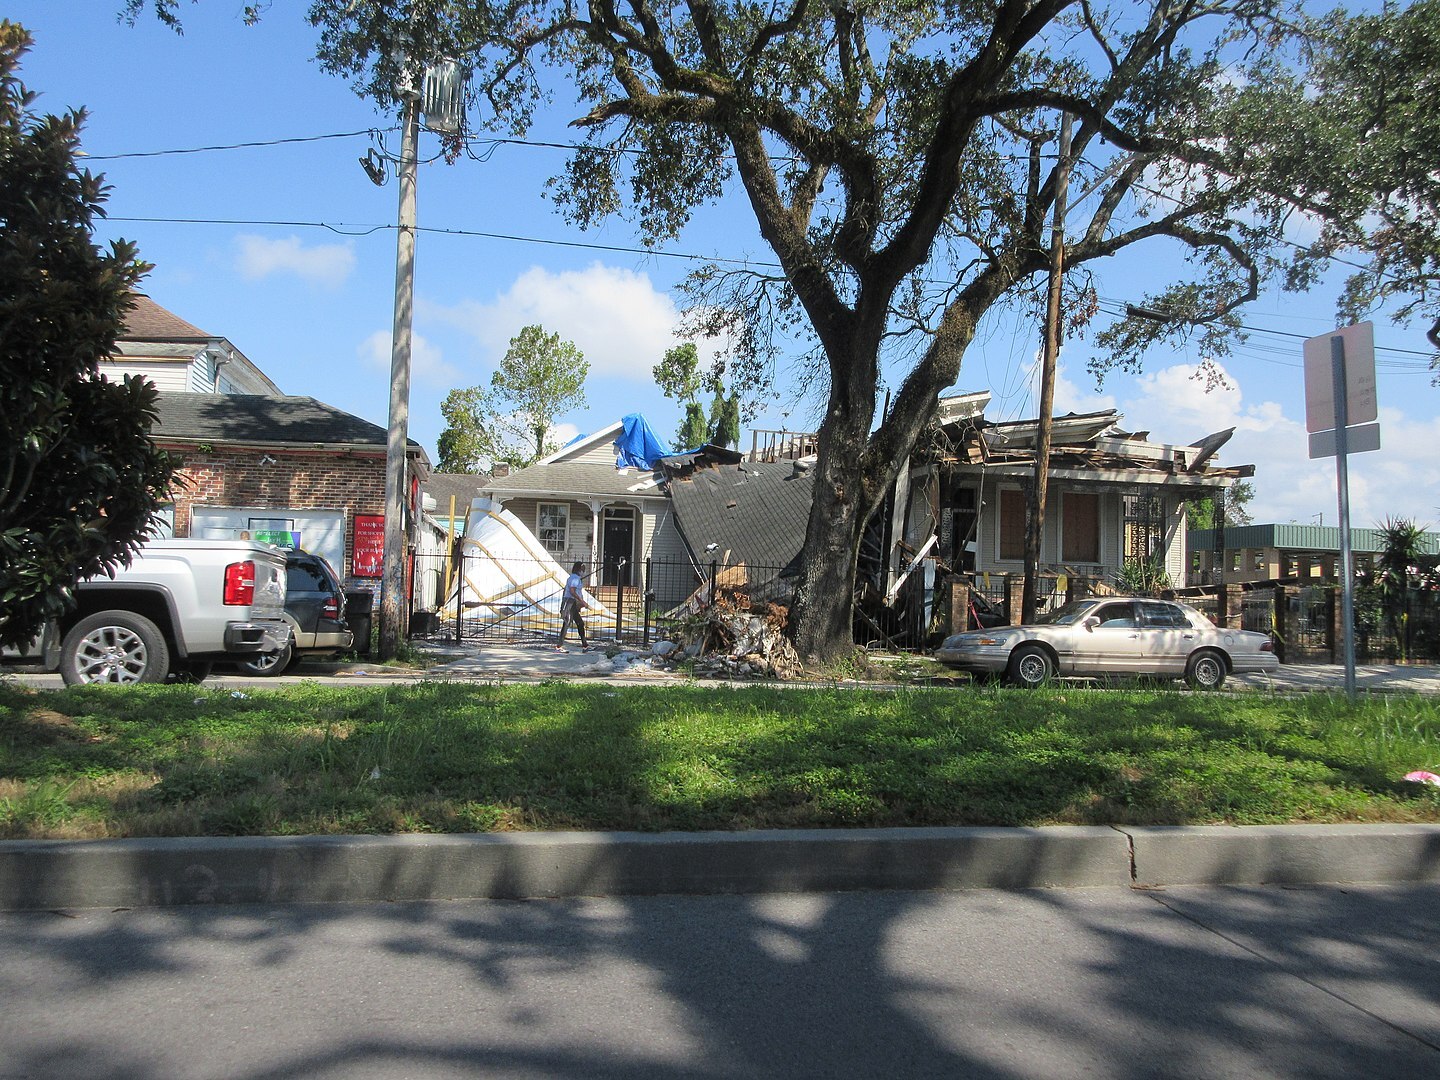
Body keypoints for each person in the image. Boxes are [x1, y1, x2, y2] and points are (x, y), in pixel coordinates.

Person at [557, 561, 589, 650]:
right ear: (578, 569)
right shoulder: (574, 578)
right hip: (569, 602)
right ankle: (559, 646)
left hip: (573, 603)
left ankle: (585, 644)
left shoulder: (577, 579)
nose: (583, 571)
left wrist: (580, 603)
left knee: (580, 623)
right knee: (567, 622)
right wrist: (582, 601)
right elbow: (572, 591)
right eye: (582, 569)